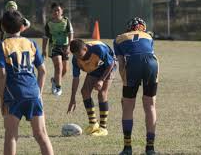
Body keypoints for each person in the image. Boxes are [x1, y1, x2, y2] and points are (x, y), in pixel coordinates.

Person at [0, 10, 53, 155]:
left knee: (11, 136)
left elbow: (2, 73)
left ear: (2, 27)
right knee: (41, 135)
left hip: (13, 94)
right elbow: (43, 71)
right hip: (33, 93)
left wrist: (2, 99)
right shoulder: (31, 43)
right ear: (22, 27)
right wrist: (38, 93)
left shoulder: (1, 45)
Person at [114, 17, 159, 155]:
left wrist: (125, 83)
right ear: (142, 28)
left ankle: (128, 148)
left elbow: (121, 64)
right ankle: (150, 148)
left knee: (128, 106)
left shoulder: (119, 38)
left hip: (132, 64)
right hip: (152, 64)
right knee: (150, 106)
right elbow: (149, 55)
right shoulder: (148, 36)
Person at [67, 39, 115, 136]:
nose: (78, 57)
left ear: (85, 48)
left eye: (79, 55)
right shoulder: (76, 60)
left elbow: (110, 64)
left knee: (102, 93)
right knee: (85, 91)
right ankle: (93, 124)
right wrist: (72, 99)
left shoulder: (99, 49)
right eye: (75, 55)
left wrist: (101, 80)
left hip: (109, 66)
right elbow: (76, 78)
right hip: (95, 67)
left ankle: (103, 128)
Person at [42, 2, 74, 96]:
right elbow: (45, 37)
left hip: (65, 47)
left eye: (58, 10)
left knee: (64, 70)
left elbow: (70, 34)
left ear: (62, 11)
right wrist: (44, 49)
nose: (56, 12)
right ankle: (58, 88)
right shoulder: (49, 24)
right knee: (58, 66)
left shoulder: (66, 21)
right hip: (54, 47)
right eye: (54, 10)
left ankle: (54, 81)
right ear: (51, 12)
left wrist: (69, 46)